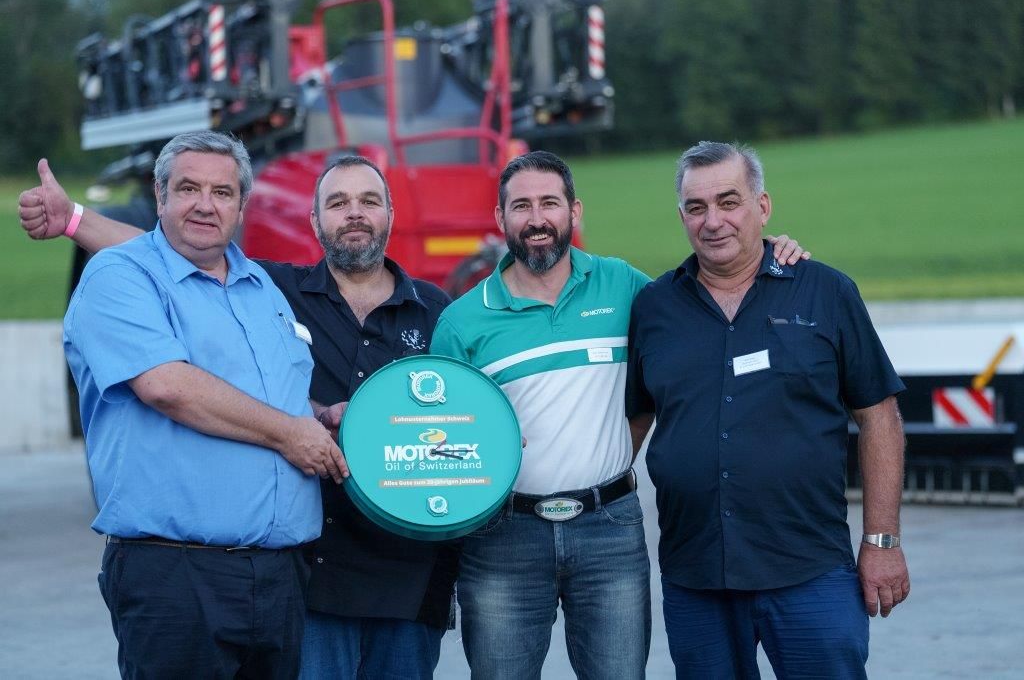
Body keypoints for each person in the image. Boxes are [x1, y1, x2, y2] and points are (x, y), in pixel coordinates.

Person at [19, 154, 456, 678]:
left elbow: (463, 410)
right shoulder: (274, 289)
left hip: (404, 574)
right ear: (315, 221)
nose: (355, 213)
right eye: (338, 202)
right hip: (317, 577)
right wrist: (74, 220)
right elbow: (165, 252)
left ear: (391, 213)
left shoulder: (435, 309)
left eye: (369, 201)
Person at [429, 150, 807, 679]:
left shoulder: (624, 286)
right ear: (500, 218)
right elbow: (442, 440)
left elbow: (707, 293)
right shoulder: (461, 322)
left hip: (608, 530)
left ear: (574, 211)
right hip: (503, 538)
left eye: (549, 203)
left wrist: (769, 250)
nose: (537, 219)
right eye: (521, 206)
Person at [626, 141, 910, 679]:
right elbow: (631, 423)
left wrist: (882, 541)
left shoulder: (826, 292)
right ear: (682, 216)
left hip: (809, 571)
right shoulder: (654, 307)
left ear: (763, 206)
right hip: (696, 576)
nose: (713, 221)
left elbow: (879, 416)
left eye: (729, 201)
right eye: (696, 207)